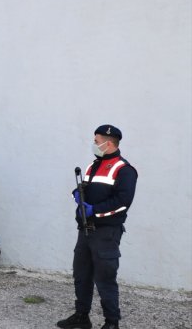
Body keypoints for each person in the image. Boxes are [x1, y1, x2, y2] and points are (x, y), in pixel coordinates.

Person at [57, 125, 138, 329]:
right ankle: (81, 316)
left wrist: (95, 210)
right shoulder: (92, 166)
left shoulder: (124, 170)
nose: (94, 144)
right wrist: (76, 193)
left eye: (96, 141)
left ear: (108, 143)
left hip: (106, 233)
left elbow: (123, 202)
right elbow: (84, 187)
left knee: (105, 279)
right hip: (84, 231)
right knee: (81, 275)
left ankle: (111, 323)